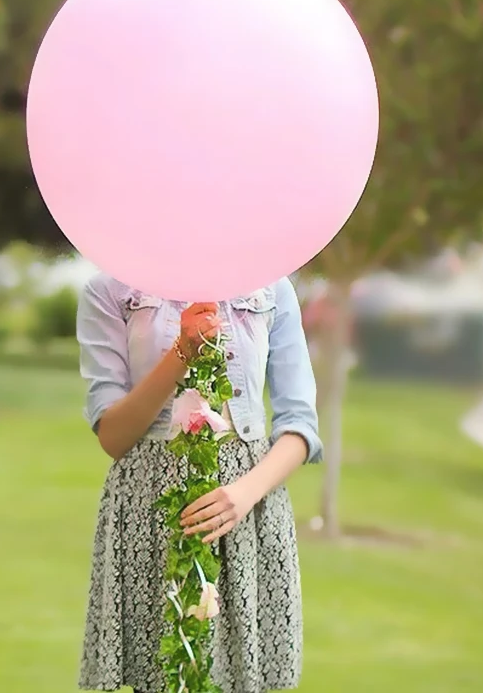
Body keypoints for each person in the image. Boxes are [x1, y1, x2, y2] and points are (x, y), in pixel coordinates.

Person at [77, 273, 322, 693]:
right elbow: (113, 436)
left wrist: (243, 494)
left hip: (247, 505)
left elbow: (299, 425)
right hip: (150, 506)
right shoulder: (112, 288)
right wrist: (182, 352)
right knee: (161, 675)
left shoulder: (270, 286)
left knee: (242, 678)